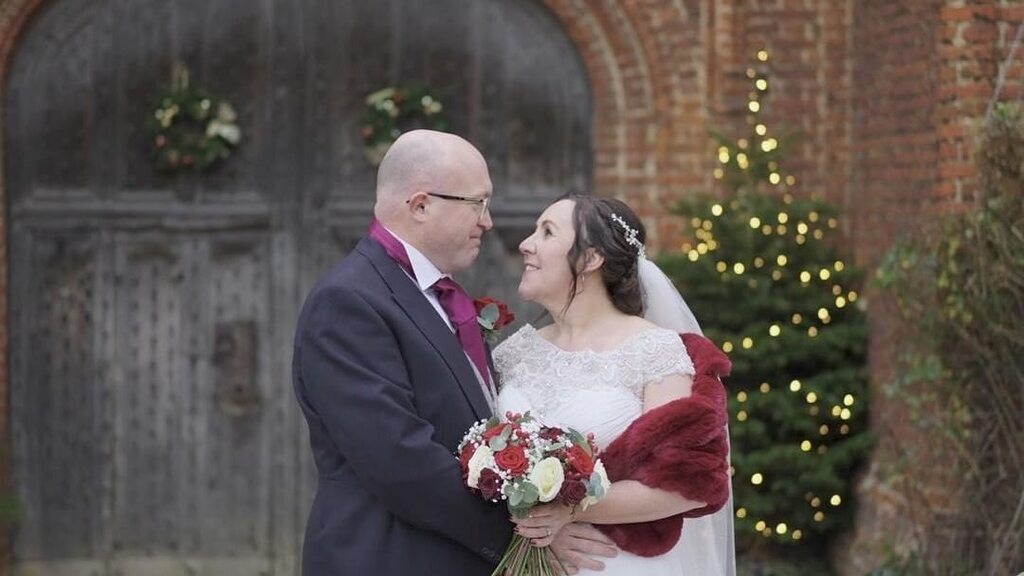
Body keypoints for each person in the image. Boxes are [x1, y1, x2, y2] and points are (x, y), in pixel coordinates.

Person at [292, 131, 616, 575]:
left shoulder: (434, 293)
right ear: (421, 206)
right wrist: (524, 534)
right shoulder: (349, 300)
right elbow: (399, 459)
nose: (488, 221)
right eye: (477, 203)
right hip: (388, 557)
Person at [493, 194, 737, 576]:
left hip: (615, 563)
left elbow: (687, 485)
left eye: (547, 232)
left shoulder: (654, 350)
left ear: (591, 259)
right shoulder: (512, 353)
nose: (526, 244)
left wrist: (569, 510)